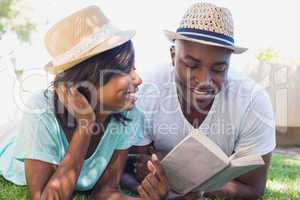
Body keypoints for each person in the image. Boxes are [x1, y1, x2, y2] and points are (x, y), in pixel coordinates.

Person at [0, 6, 169, 200]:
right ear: (89, 78)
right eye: (126, 70)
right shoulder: (41, 111)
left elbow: (106, 192)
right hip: (8, 139)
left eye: (134, 67)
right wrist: (85, 125)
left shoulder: (129, 116)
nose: (138, 79)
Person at [123, 2, 276, 200]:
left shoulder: (253, 101)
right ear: (172, 56)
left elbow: (253, 189)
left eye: (219, 69)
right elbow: (135, 168)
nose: (204, 81)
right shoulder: (148, 88)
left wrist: (181, 182)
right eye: (191, 65)